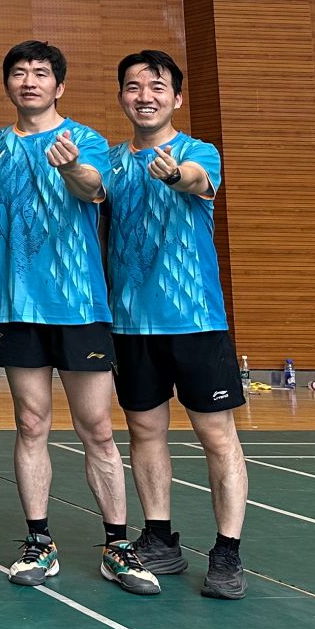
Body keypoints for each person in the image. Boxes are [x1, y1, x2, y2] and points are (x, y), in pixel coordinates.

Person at [0, 39, 158, 596]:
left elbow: (93, 188)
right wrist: (16, 266)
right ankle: (38, 541)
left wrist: (72, 164)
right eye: (19, 72)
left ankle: (117, 545)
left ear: (59, 86)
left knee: (97, 427)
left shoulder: (87, 139)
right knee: (31, 423)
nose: (29, 81)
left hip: (80, 307)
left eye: (41, 73)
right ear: (8, 83)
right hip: (18, 310)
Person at [99, 49, 247, 599]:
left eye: (157, 87)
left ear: (176, 98)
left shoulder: (198, 151)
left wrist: (174, 173)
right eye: (134, 87)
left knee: (217, 435)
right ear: (122, 96)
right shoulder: (110, 163)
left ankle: (227, 550)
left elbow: (196, 180)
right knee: (144, 432)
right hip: (131, 325)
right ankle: (159, 537)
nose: (145, 96)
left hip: (195, 320)